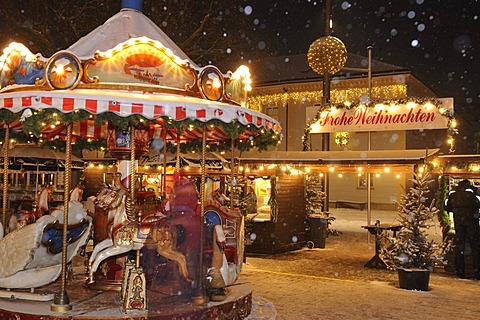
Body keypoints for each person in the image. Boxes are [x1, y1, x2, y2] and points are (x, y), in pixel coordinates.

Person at [445, 179, 480, 279]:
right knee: (475, 246)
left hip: (459, 221)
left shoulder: (453, 192)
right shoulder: (475, 191)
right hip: (472, 221)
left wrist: (457, 210)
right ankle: (477, 271)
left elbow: (446, 206)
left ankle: (460, 271)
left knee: (460, 246)